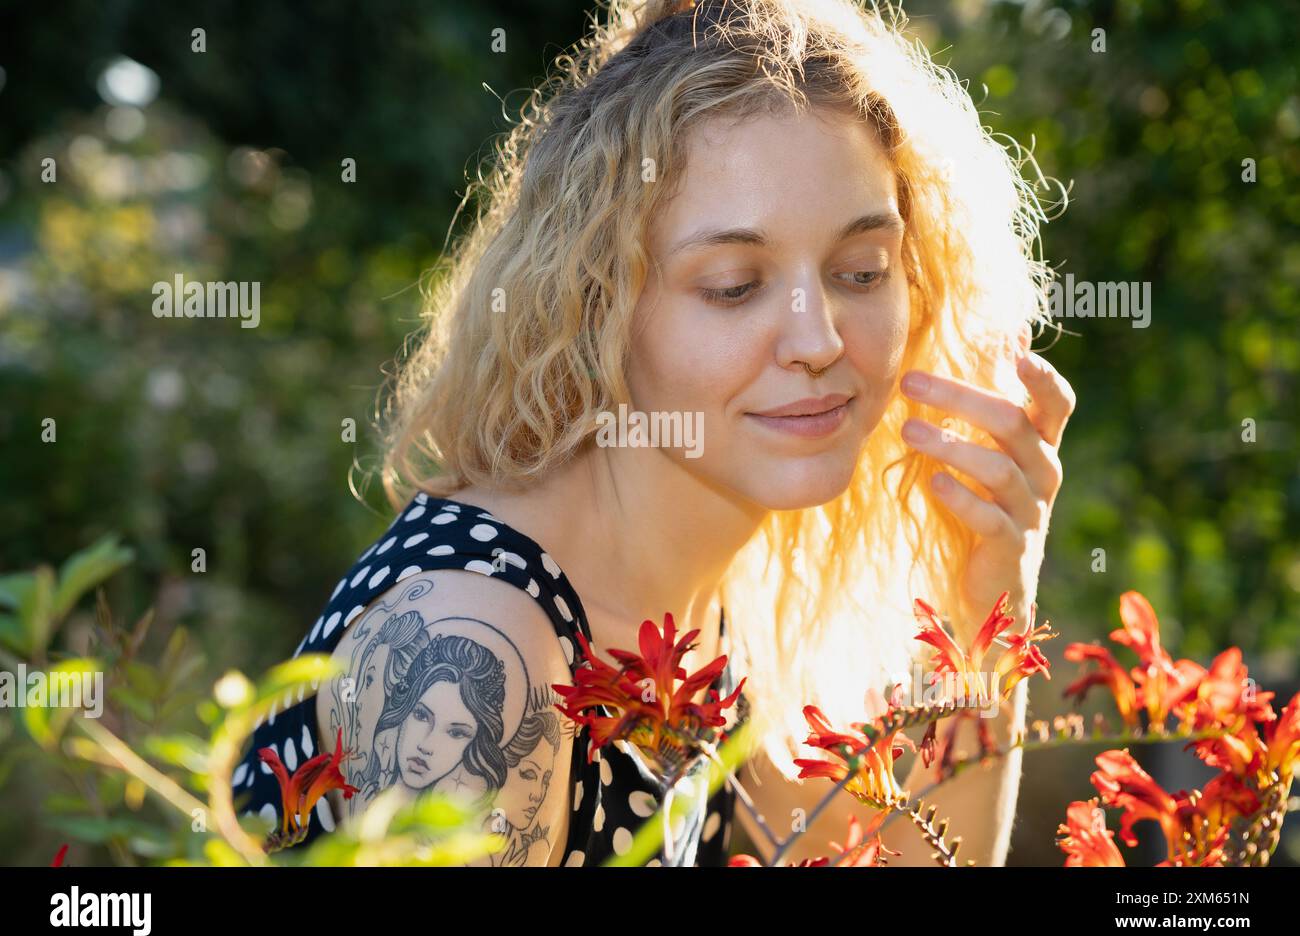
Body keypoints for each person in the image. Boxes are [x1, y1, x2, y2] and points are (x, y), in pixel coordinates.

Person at [231, 0, 1076, 866]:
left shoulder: (724, 610)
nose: (819, 340)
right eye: (733, 286)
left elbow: (913, 862)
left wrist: (987, 610)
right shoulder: (483, 638)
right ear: (597, 304)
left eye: (862, 271)